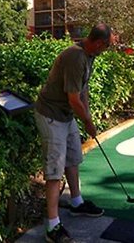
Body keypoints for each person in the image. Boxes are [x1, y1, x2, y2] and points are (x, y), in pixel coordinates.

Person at [35, 23, 112, 243]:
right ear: (99, 43)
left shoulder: (90, 56)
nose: (106, 50)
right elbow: (73, 98)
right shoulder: (75, 57)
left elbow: (82, 90)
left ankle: (77, 203)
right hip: (51, 115)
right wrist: (86, 121)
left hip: (66, 115)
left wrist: (88, 117)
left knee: (73, 158)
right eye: (107, 46)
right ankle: (52, 225)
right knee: (54, 171)